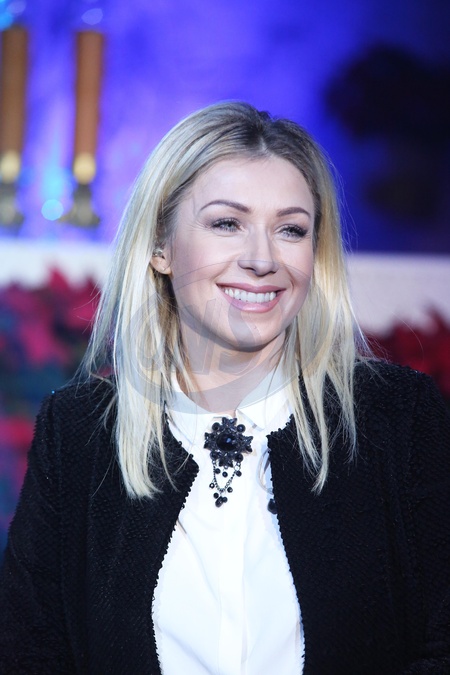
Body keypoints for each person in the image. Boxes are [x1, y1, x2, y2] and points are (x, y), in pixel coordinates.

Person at [1, 102, 449, 674]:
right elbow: (31, 653)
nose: (262, 259)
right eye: (226, 224)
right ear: (160, 246)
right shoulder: (80, 431)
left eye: (291, 229)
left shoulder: (397, 417)